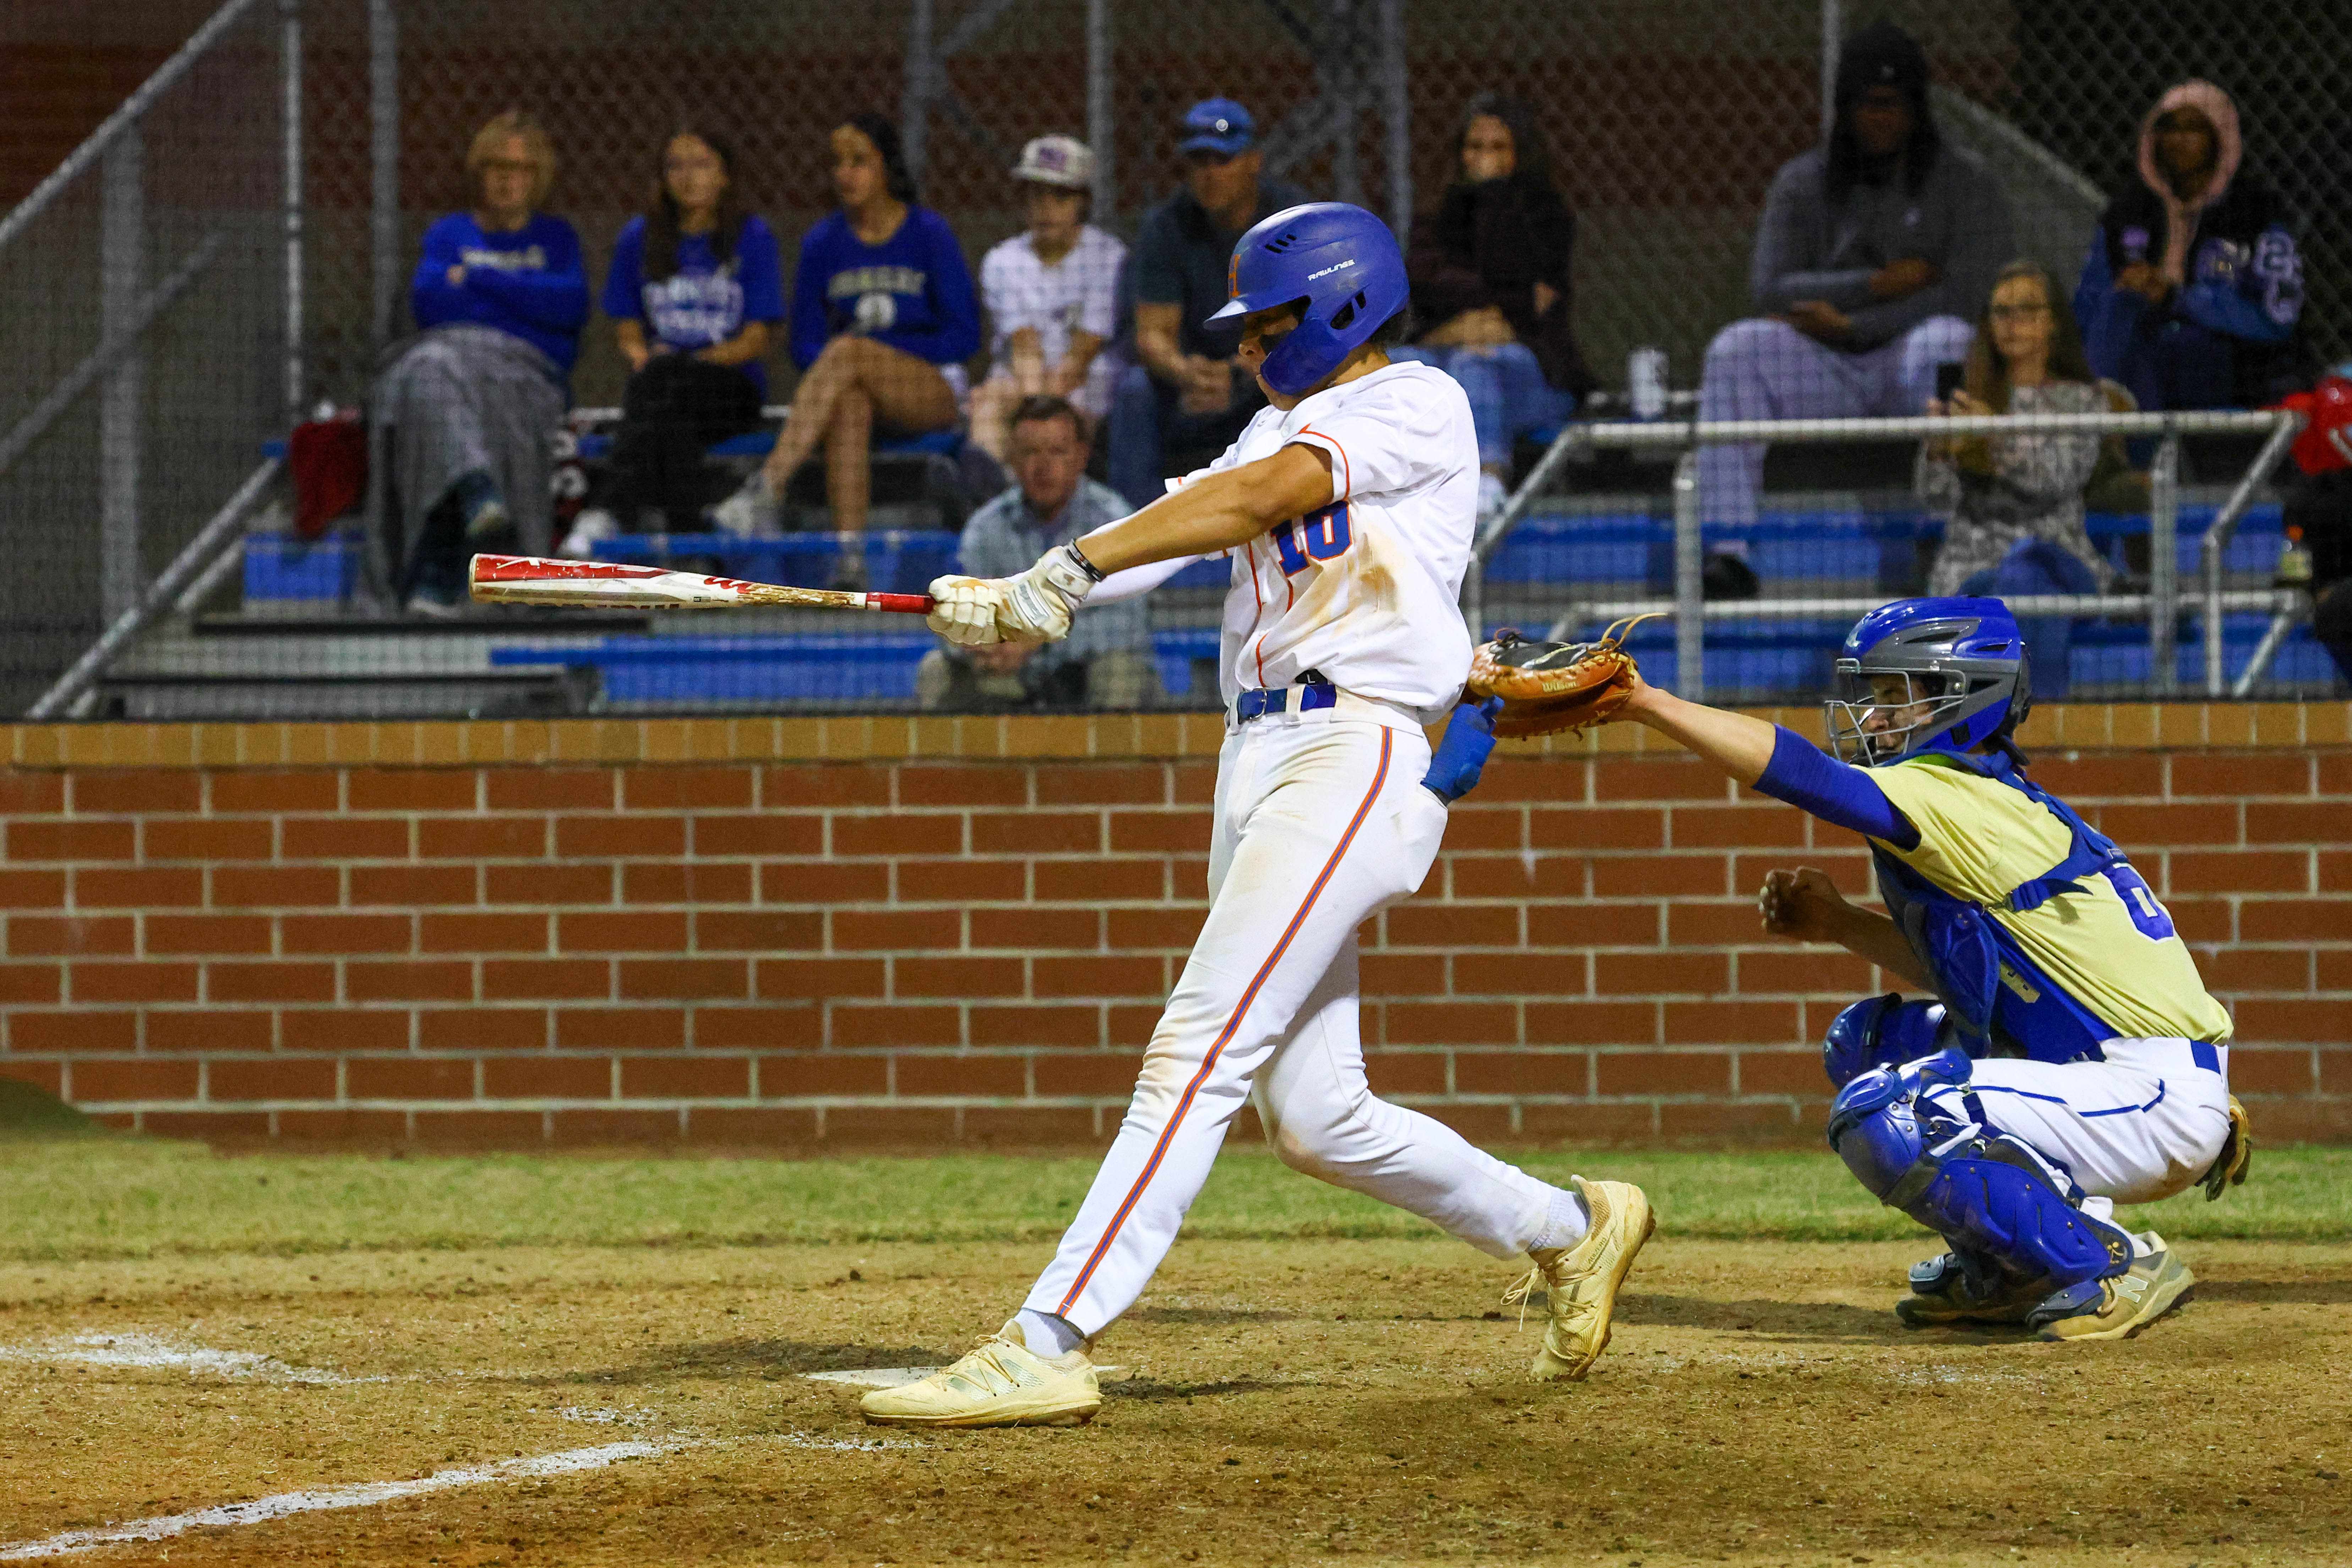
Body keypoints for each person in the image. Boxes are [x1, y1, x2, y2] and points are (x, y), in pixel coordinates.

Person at [860, 203, 1654, 1428]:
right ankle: (1572, 1223)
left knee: (1197, 1040)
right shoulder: (1270, 420)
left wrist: (1060, 572)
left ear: (1338, 303)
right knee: (1317, 1115)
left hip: (1352, 745)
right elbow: (1181, 521)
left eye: (1267, 321)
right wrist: (1006, 597)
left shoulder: (1417, 400)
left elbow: (1257, 499)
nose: (1243, 344)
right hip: (1261, 749)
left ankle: (1049, 1331)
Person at [1617, 597, 2244, 1341]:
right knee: (1868, 1042)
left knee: (1888, 1109)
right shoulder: (1979, 795)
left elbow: (1803, 775)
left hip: (2144, 1093)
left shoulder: (1953, 792)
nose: (1874, 717)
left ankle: (2105, 1264)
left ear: (1963, 697)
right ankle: (2016, 1269)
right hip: (2110, 1078)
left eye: (1893, 697)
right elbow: (1979, 975)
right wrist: (1841, 924)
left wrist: (1645, 702)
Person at [1698, 22, 2013, 598]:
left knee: (1945, 338)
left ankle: (1938, 533)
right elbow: (1770, 287)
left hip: (1906, 370)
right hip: (1822, 365)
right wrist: (1877, 284)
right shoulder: (1803, 181)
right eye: (1867, 104)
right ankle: (1728, 551)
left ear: (1916, 108)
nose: (1880, 118)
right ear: (1845, 108)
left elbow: (1968, 294)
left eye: (1892, 105)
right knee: (1736, 349)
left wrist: (1855, 321)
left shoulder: (1964, 181)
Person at [711, 113, 980, 588]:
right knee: (849, 402)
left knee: (849, 353)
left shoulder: (928, 233)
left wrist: (876, 353)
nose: (845, 173)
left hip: (929, 387)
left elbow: (963, 336)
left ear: (887, 169)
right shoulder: (822, 243)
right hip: (855, 384)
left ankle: (767, 489)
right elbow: (802, 345)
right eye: (837, 162)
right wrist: (858, 360)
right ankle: (849, 560)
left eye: (859, 161)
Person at [373, 109, 588, 616]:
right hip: (454, 359)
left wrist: (477, 280)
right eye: (494, 166)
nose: (506, 178)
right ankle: (476, 493)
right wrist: (522, 304)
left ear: (538, 178)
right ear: (478, 173)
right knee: (429, 371)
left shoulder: (555, 239)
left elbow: (568, 308)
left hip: (524, 373)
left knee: (440, 386)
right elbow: (430, 305)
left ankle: (438, 563)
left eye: (519, 168)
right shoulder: (449, 232)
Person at [564, 128, 785, 553]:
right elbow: (626, 325)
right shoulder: (639, 238)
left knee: (658, 396)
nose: (688, 177)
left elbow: (757, 338)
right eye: (676, 166)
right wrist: (641, 355)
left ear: (724, 177)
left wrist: (695, 361)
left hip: (728, 384)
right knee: (668, 417)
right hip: (661, 383)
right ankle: (694, 539)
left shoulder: (752, 238)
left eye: (701, 165)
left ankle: (608, 510)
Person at [1396, 93, 1596, 521]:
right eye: (1475, 147)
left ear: (1520, 155)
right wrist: (1484, 312)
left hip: (1530, 371)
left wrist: (1495, 199)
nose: (1484, 159)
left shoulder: (1547, 216)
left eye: (1498, 148)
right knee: (1395, 364)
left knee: (1478, 364)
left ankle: (1486, 483)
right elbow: (1423, 281)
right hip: (1443, 352)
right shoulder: (1435, 214)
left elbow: (1530, 291)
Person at [1917, 261, 2108, 696]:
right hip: (1974, 564)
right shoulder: (1973, 395)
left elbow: (2059, 480)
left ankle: (2026, 725)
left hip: (2056, 558)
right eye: (2001, 312)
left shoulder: (2081, 400)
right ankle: (2017, 730)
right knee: (1999, 589)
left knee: (2027, 579)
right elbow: (1934, 498)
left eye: (2027, 309)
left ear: (2053, 322)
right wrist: (1937, 451)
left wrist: (1997, 438)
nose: (2012, 323)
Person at [1108, 98, 1310, 506]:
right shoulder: (1167, 227)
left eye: (1223, 160)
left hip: (1269, 368)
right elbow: (1152, 334)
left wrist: (1241, 372)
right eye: (1199, 162)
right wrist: (1186, 372)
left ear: (1253, 161)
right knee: (1134, 391)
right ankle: (1135, 528)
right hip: (1193, 383)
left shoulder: (1289, 218)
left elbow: (1307, 318)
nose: (1210, 174)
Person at [2074, 80, 2308, 414]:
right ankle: (2102, 411)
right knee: (2117, 306)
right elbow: (2087, 304)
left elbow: (2277, 318)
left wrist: (2177, 298)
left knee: (2174, 344)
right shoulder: (2128, 213)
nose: (2178, 141)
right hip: (2138, 351)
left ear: (2219, 137)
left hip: (2230, 367)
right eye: (2168, 129)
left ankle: (2102, 420)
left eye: (2193, 129)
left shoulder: (2254, 213)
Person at [917, 396, 1155, 711]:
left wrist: (1038, 637)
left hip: (1084, 669)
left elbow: (1129, 623)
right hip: (1008, 673)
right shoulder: (986, 528)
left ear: (1081, 457)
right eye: (1030, 452)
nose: (1043, 466)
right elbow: (954, 610)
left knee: (1120, 672)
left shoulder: (1111, 520)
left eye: (1057, 452)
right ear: (1012, 458)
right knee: (936, 670)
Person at [966, 136, 1125, 467]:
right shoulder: (1003, 260)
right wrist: (1036, 413)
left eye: (1060, 195)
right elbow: (1025, 350)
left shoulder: (1109, 258)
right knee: (990, 403)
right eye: (1035, 194)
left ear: (1083, 201)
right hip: (1022, 382)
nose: (1045, 206)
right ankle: (984, 499)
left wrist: (1038, 423)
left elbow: (1081, 357)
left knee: (1067, 419)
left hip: (1087, 388)